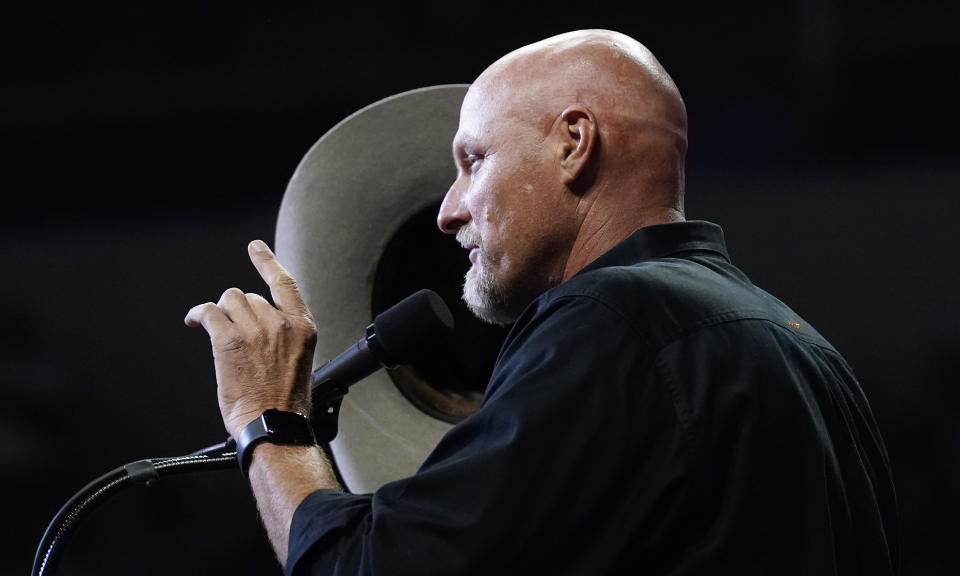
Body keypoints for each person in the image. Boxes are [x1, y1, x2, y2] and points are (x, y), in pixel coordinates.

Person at [185, 30, 899, 574]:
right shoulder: (798, 341)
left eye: (473, 162)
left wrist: (266, 419)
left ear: (574, 144)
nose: (449, 210)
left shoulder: (612, 323)